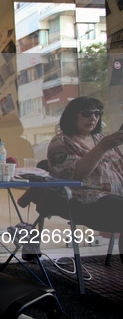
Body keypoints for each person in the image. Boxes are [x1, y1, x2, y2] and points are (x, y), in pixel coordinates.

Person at [47, 96, 123, 228]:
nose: (93, 118)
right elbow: (78, 173)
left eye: (97, 113)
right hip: (85, 199)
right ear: (72, 116)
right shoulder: (62, 141)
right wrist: (102, 148)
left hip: (116, 194)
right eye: (87, 113)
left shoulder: (101, 138)